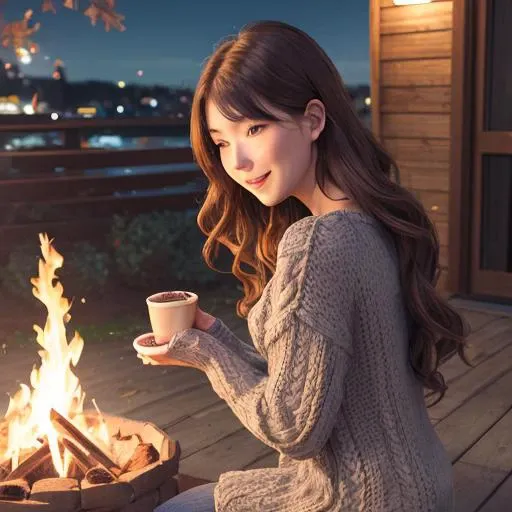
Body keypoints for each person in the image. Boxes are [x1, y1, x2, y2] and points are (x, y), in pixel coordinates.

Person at [145, 20, 469, 512]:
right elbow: (316, 379)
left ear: (314, 120)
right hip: (417, 484)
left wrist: (204, 356)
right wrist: (217, 340)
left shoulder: (319, 241)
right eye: (222, 141)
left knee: (172, 508)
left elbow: (291, 426)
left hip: (358, 498)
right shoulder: (370, 220)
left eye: (255, 127)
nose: (240, 160)